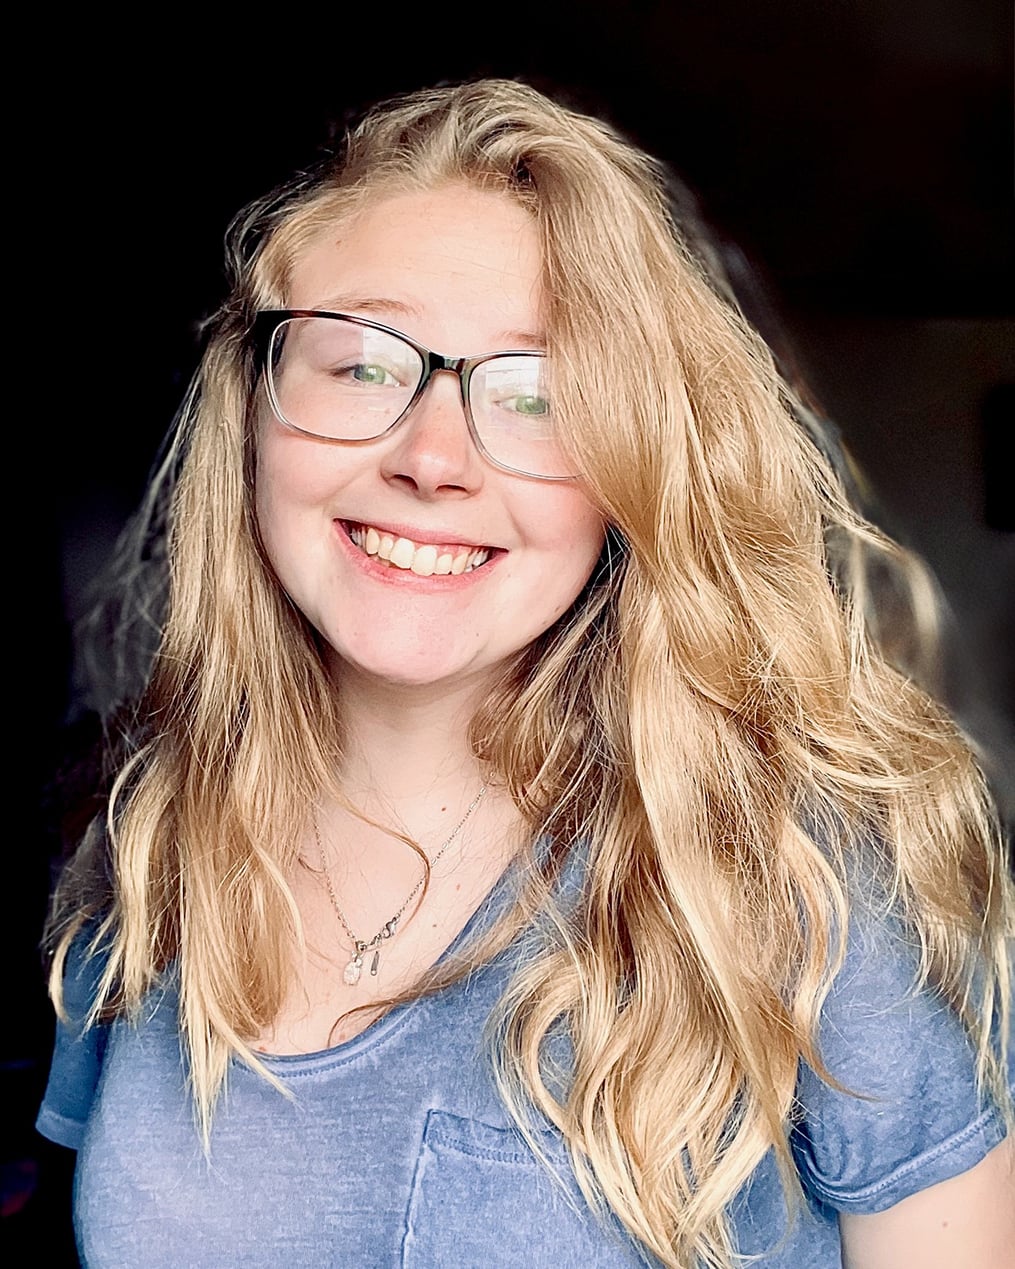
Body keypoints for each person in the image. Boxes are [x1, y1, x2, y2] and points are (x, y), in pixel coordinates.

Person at [36, 78, 1013, 1268]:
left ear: (629, 473)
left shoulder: (799, 872)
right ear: (251, 412)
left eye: (538, 393)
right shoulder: (144, 850)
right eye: (357, 365)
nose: (433, 457)